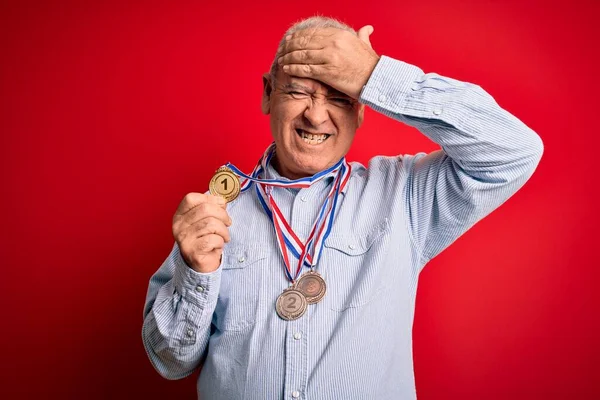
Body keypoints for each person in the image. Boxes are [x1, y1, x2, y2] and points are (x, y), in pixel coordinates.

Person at [142, 16, 543, 399]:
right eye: (299, 91)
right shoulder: (213, 216)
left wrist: (373, 74)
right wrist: (196, 272)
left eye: (339, 95)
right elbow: (170, 362)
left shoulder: (405, 194)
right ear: (268, 94)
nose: (316, 116)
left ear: (362, 107)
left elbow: (513, 151)